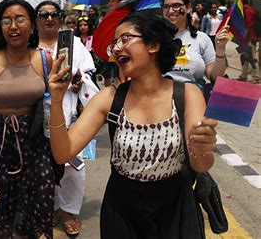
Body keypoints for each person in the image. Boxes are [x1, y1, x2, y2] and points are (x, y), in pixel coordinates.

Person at [48, 13, 218, 238]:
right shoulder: (109, 98)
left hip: (175, 208)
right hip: (122, 211)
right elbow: (62, 154)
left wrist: (202, 147)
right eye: (114, 44)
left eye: (125, 39)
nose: (117, 48)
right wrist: (57, 100)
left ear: (153, 45)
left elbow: (201, 165)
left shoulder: (188, 94)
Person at [0, 0, 54, 238]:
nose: (13, 26)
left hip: (34, 137)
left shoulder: (45, 59)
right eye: (6, 21)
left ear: (32, 24)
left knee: (37, 195)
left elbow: (53, 100)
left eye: (19, 19)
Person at [36, 0, 98, 237]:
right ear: (37, 19)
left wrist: (80, 79)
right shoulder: (29, 46)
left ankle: (68, 210)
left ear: (60, 18)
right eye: (44, 14)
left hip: (68, 113)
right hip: (36, 114)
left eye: (54, 14)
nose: (49, 18)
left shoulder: (74, 43)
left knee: (72, 166)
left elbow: (88, 71)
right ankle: (49, 207)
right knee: (41, 165)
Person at [162, 0, 228, 90]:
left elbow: (214, 77)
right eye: (166, 6)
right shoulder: (155, 38)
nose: (170, 11)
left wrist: (220, 50)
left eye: (176, 5)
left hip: (194, 100)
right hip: (161, 101)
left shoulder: (202, 38)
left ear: (188, 8)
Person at [238, 3, 259, 83]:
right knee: (244, 57)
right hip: (249, 38)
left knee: (252, 58)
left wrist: (242, 38)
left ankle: (256, 77)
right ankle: (244, 75)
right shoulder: (250, 9)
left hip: (249, 38)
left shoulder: (247, 11)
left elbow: (247, 26)